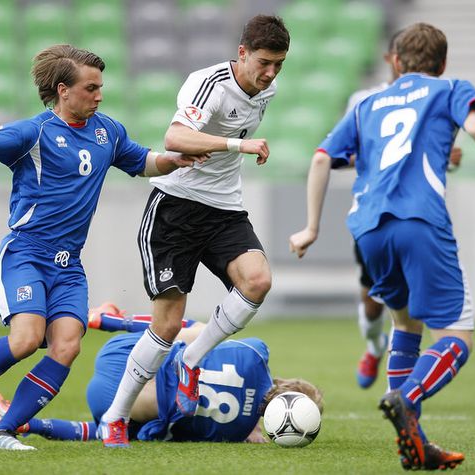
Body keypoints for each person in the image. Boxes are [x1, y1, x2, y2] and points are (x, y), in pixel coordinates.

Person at [289, 23, 475, 471]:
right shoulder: (451, 88)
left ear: (395, 61)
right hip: (420, 222)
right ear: (443, 63)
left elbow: (321, 158)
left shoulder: (368, 103)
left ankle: (415, 444)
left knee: (405, 326)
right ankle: (407, 397)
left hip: (369, 229)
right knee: (458, 337)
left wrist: (311, 228)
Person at [0, 44, 205, 451]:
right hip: (26, 253)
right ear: (63, 90)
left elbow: (145, 162)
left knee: (67, 345)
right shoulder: (35, 132)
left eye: (101, 87)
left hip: (69, 265)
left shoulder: (108, 131)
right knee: (26, 339)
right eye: (91, 88)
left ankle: (0, 433)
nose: (99, 95)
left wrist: (177, 159)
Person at [98, 15, 291, 447]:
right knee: (166, 324)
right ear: (242, 52)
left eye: (279, 64)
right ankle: (115, 416)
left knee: (257, 280)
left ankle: (193, 360)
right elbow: (176, 137)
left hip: (223, 209)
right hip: (175, 211)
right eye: (264, 62)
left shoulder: (267, 89)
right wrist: (239, 145)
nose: (271, 73)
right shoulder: (209, 83)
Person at [0, 301, 324, 444]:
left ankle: (108, 320)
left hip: (125, 352)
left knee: (197, 331)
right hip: (109, 403)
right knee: (145, 428)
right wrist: (250, 429)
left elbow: (214, 338)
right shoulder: (236, 432)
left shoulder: (257, 353)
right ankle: (31, 425)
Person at [342, 31, 462, 390]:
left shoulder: (434, 98)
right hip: (373, 214)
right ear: (391, 58)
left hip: (416, 216)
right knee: (373, 305)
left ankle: (405, 390)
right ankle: (374, 348)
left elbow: (432, 153)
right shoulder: (364, 100)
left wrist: (451, 160)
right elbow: (343, 153)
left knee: (409, 312)